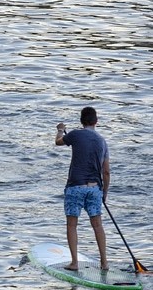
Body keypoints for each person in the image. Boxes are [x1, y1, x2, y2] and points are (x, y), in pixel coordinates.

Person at [55, 106, 110, 271]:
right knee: (97, 225)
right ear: (96, 122)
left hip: (75, 187)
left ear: (81, 121)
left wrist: (60, 130)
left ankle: (74, 263)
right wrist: (104, 193)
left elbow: (58, 142)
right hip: (94, 188)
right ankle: (104, 263)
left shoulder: (75, 134)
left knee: (72, 224)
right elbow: (106, 172)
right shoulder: (102, 141)